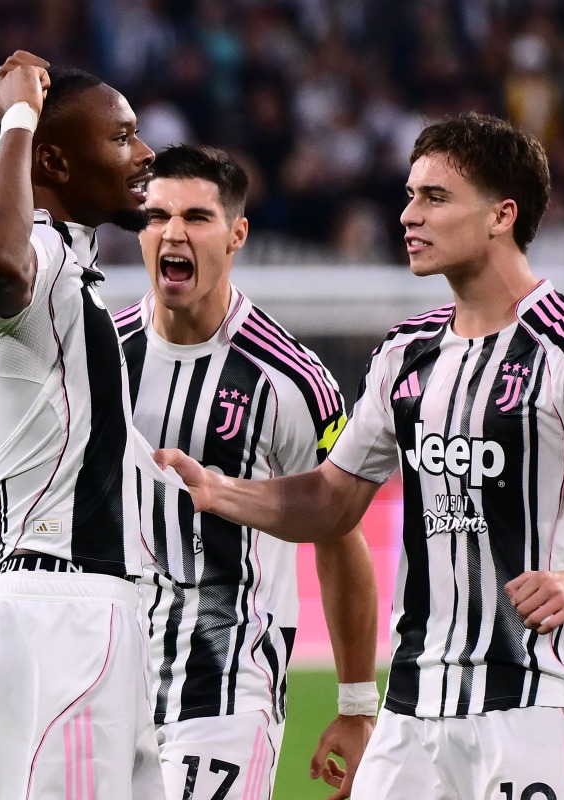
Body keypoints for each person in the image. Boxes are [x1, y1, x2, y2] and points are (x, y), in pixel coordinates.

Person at [156, 112, 564, 800]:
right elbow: (332, 500)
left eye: (435, 198)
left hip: (537, 695)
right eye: (409, 195)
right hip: (414, 706)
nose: (408, 215)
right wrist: (222, 492)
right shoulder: (406, 352)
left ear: (501, 216)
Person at [0, 51, 164, 799]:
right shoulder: (37, 256)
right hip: (69, 606)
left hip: (78, 605)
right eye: (120, 137)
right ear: (53, 160)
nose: (143, 153)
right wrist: (18, 116)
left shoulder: (60, 260)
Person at [113, 144, 379, 800]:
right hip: (107, 679)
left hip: (226, 682)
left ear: (237, 234)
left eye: (197, 217)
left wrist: (355, 702)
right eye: (158, 215)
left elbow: (340, 535)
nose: (173, 232)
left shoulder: (291, 380)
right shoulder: (102, 354)